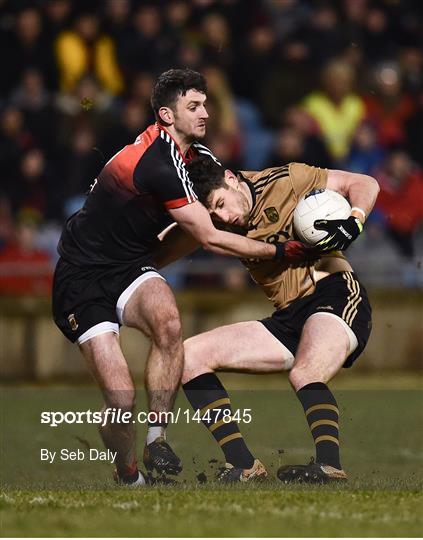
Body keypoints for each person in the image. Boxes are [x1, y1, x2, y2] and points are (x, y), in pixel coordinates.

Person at [52, 68, 309, 486]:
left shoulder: (199, 158)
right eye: (194, 106)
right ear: (167, 116)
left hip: (130, 264)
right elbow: (208, 236)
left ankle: (157, 440)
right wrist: (280, 251)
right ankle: (129, 474)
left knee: (169, 323)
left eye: (205, 103)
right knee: (120, 397)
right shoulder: (159, 162)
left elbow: (207, 219)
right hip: (82, 278)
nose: (205, 112)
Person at [156, 155, 379, 483]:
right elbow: (159, 254)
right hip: (288, 318)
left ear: (232, 179)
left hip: (336, 295)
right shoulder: (213, 222)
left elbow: (364, 183)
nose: (223, 217)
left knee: (306, 372)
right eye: (213, 213)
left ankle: (329, 466)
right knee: (190, 356)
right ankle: (244, 465)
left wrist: (355, 219)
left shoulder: (285, 180)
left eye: (220, 204)